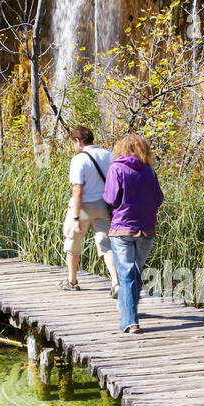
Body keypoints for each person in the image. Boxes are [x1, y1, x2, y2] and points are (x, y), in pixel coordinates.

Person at [102, 133, 163, 334]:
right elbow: (158, 199)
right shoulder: (149, 171)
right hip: (146, 228)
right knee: (135, 272)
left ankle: (130, 320)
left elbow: (111, 198)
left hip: (122, 228)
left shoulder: (116, 168)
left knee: (127, 274)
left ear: (121, 148)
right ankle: (128, 311)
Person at [60, 125, 119, 293]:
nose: (74, 146)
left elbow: (77, 189)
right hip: (104, 206)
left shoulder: (79, 159)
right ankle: (115, 282)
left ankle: (72, 281)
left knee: (72, 242)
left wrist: (77, 217)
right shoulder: (109, 155)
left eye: (74, 142)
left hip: (84, 207)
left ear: (78, 141)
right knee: (107, 246)